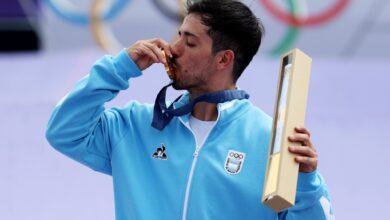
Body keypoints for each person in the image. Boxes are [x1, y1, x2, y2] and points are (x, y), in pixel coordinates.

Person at [46, 0, 334, 219]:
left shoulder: (271, 142)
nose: (173, 48)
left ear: (223, 60)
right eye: (179, 35)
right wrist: (120, 67)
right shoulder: (134, 126)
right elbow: (63, 131)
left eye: (190, 42)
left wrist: (306, 183)